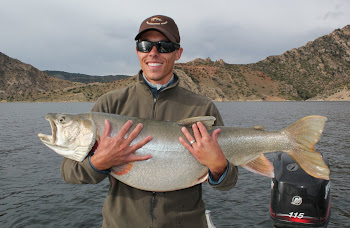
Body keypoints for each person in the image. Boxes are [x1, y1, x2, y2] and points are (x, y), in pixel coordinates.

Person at [61, 15, 238, 228]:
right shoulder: (110, 105)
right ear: (137, 51)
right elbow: (69, 172)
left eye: (164, 46)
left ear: (178, 53)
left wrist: (218, 166)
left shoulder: (202, 108)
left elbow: (228, 182)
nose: (153, 53)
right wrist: (100, 162)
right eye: (145, 45)